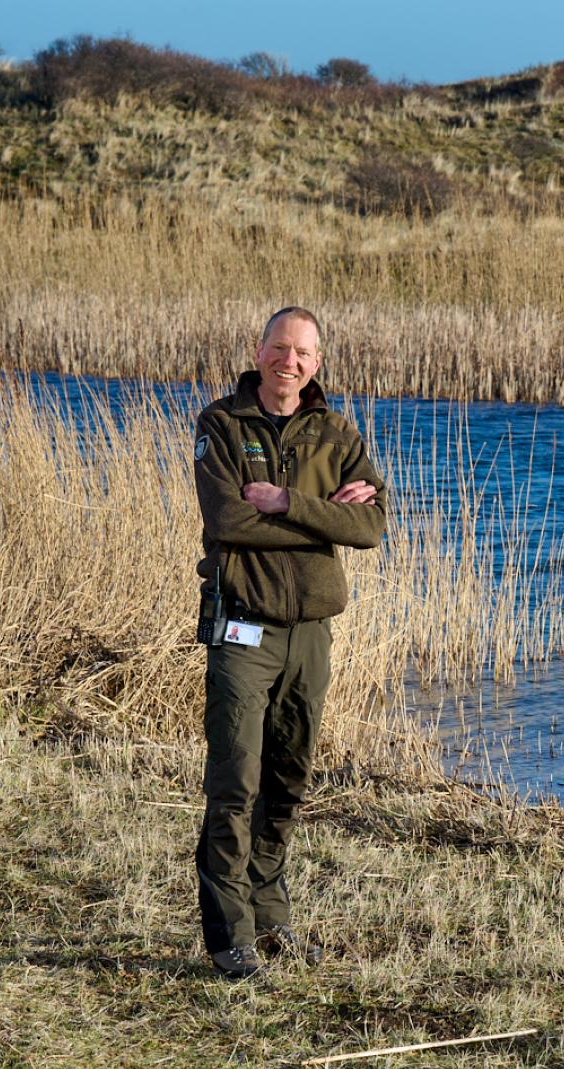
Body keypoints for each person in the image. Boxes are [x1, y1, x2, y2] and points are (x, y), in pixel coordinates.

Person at [191, 306, 386, 979]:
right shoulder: (222, 424)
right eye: (280, 348)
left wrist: (286, 503)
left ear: (316, 363)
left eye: (302, 353)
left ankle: (271, 919)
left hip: (311, 635)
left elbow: (372, 527)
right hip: (243, 627)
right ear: (259, 350)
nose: (289, 362)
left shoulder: (336, 433)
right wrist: (327, 517)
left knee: (288, 778)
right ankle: (230, 936)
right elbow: (227, 519)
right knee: (236, 778)